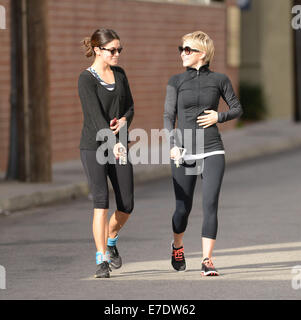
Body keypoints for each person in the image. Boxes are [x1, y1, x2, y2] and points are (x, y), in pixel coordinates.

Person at [163, 31, 243, 276]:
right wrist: (173, 145)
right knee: (182, 209)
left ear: (203, 54)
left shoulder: (220, 79)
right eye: (182, 49)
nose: (182, 53)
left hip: (212, 149)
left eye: (188, 50)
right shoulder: (176, 81)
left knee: (210, 205)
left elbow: (237, 108)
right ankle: (177, 245)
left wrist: (219, 116)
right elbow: (168, 117)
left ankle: (207, 260)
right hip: (184, 151)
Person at [78, 28, 134, 278]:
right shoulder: (86, 79)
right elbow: (95, 117)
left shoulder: (120, 74)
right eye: (113, 50)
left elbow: (130, 107)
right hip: (94, 147)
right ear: (98, 50)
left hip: (118, 145)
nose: (117, 54)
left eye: (120, 50)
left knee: (127, 205)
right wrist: (114, 142)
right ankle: (102, 260)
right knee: (101, 203)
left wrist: (124, 120)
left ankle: (111, 240)